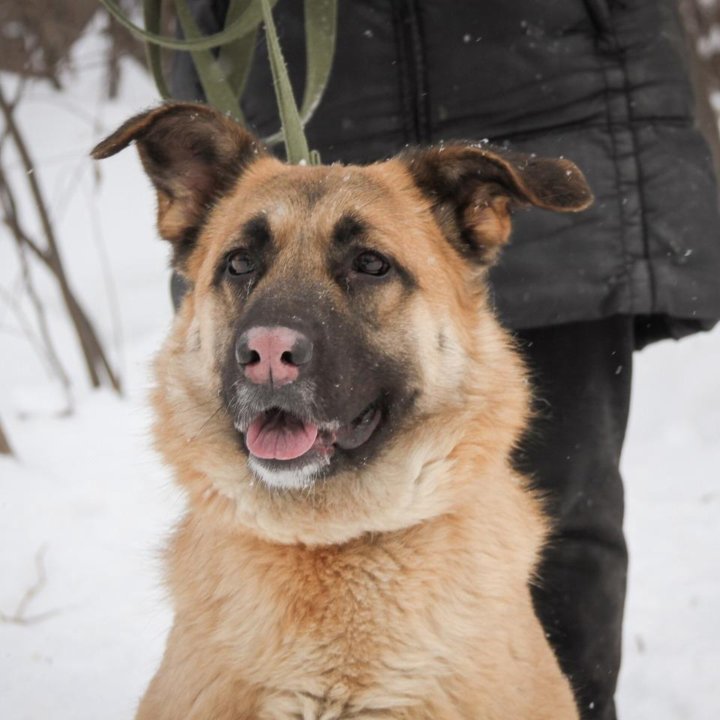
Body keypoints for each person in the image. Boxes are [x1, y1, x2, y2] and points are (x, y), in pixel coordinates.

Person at [170, 2, 720, 718]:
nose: (270, 342)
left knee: (572, 528)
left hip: (550, 89)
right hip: (308, 81)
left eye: (366, 265)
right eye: (242, 263)